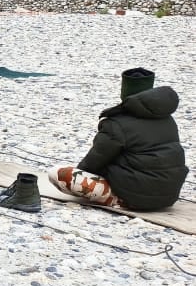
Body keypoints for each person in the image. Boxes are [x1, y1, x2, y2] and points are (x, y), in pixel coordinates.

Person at [38, 68, 187, 211]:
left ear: (125, 94)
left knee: (57, 173)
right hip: (169, 196)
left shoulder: (116, 123)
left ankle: (116, 200)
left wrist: (82, 175)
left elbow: (93, 161)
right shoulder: (168, 120)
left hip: (136, 197)